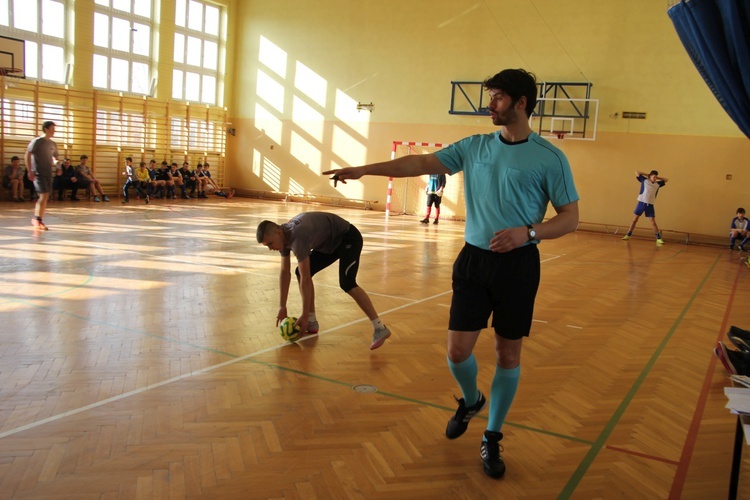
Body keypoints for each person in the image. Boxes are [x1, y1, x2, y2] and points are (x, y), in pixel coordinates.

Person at [322, 68, 579, 478]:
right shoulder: (474, 146)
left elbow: (570, 219)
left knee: (507, 354)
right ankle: (470, 399)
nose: (489, 104)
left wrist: (528, 232)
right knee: (457, 352)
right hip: (474, 262)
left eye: (496, 97)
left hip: (519, 266)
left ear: (521, 103)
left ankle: (492, 437)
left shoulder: (550, 158)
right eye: (490, 96)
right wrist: (365, 169)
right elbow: (420, 162)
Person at [256, 212, 392, 350]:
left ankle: (380, 328)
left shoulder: (298, 236)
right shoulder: (282, 239)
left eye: (270, 243)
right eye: (267, 246)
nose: (270, 248)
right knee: (298, 272)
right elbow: (285, 272)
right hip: (328, 245)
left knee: (347, 283)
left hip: (347, 238)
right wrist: (282, 306)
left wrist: (302, 314)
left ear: (278, 231)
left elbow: (306, 278)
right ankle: (312, 321)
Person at [25, 120, 59, 230]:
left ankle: (38, 219)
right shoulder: (37, 141)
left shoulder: (53, 144)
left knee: (45, 196)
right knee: (43, 195)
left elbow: (54, 157)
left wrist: (57, 164)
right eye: (52, 128)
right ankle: (37, 219)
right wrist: (29, 170)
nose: (54, 131)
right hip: (38, 173)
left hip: (48, 173)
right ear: (46, 129)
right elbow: (27, 154)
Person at [621, 170, 668, 245]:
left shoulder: (657, 184)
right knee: (635, 219)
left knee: (652, 222)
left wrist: (657, 177)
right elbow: (636, 172)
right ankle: (628, 234)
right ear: (650, 177)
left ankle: (658, 238)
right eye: (654, 177)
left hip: (650, 205)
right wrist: (648, 175)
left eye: (656, 177)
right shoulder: (645, 180)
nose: (655, 178)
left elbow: (666, 180)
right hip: (641, 203)